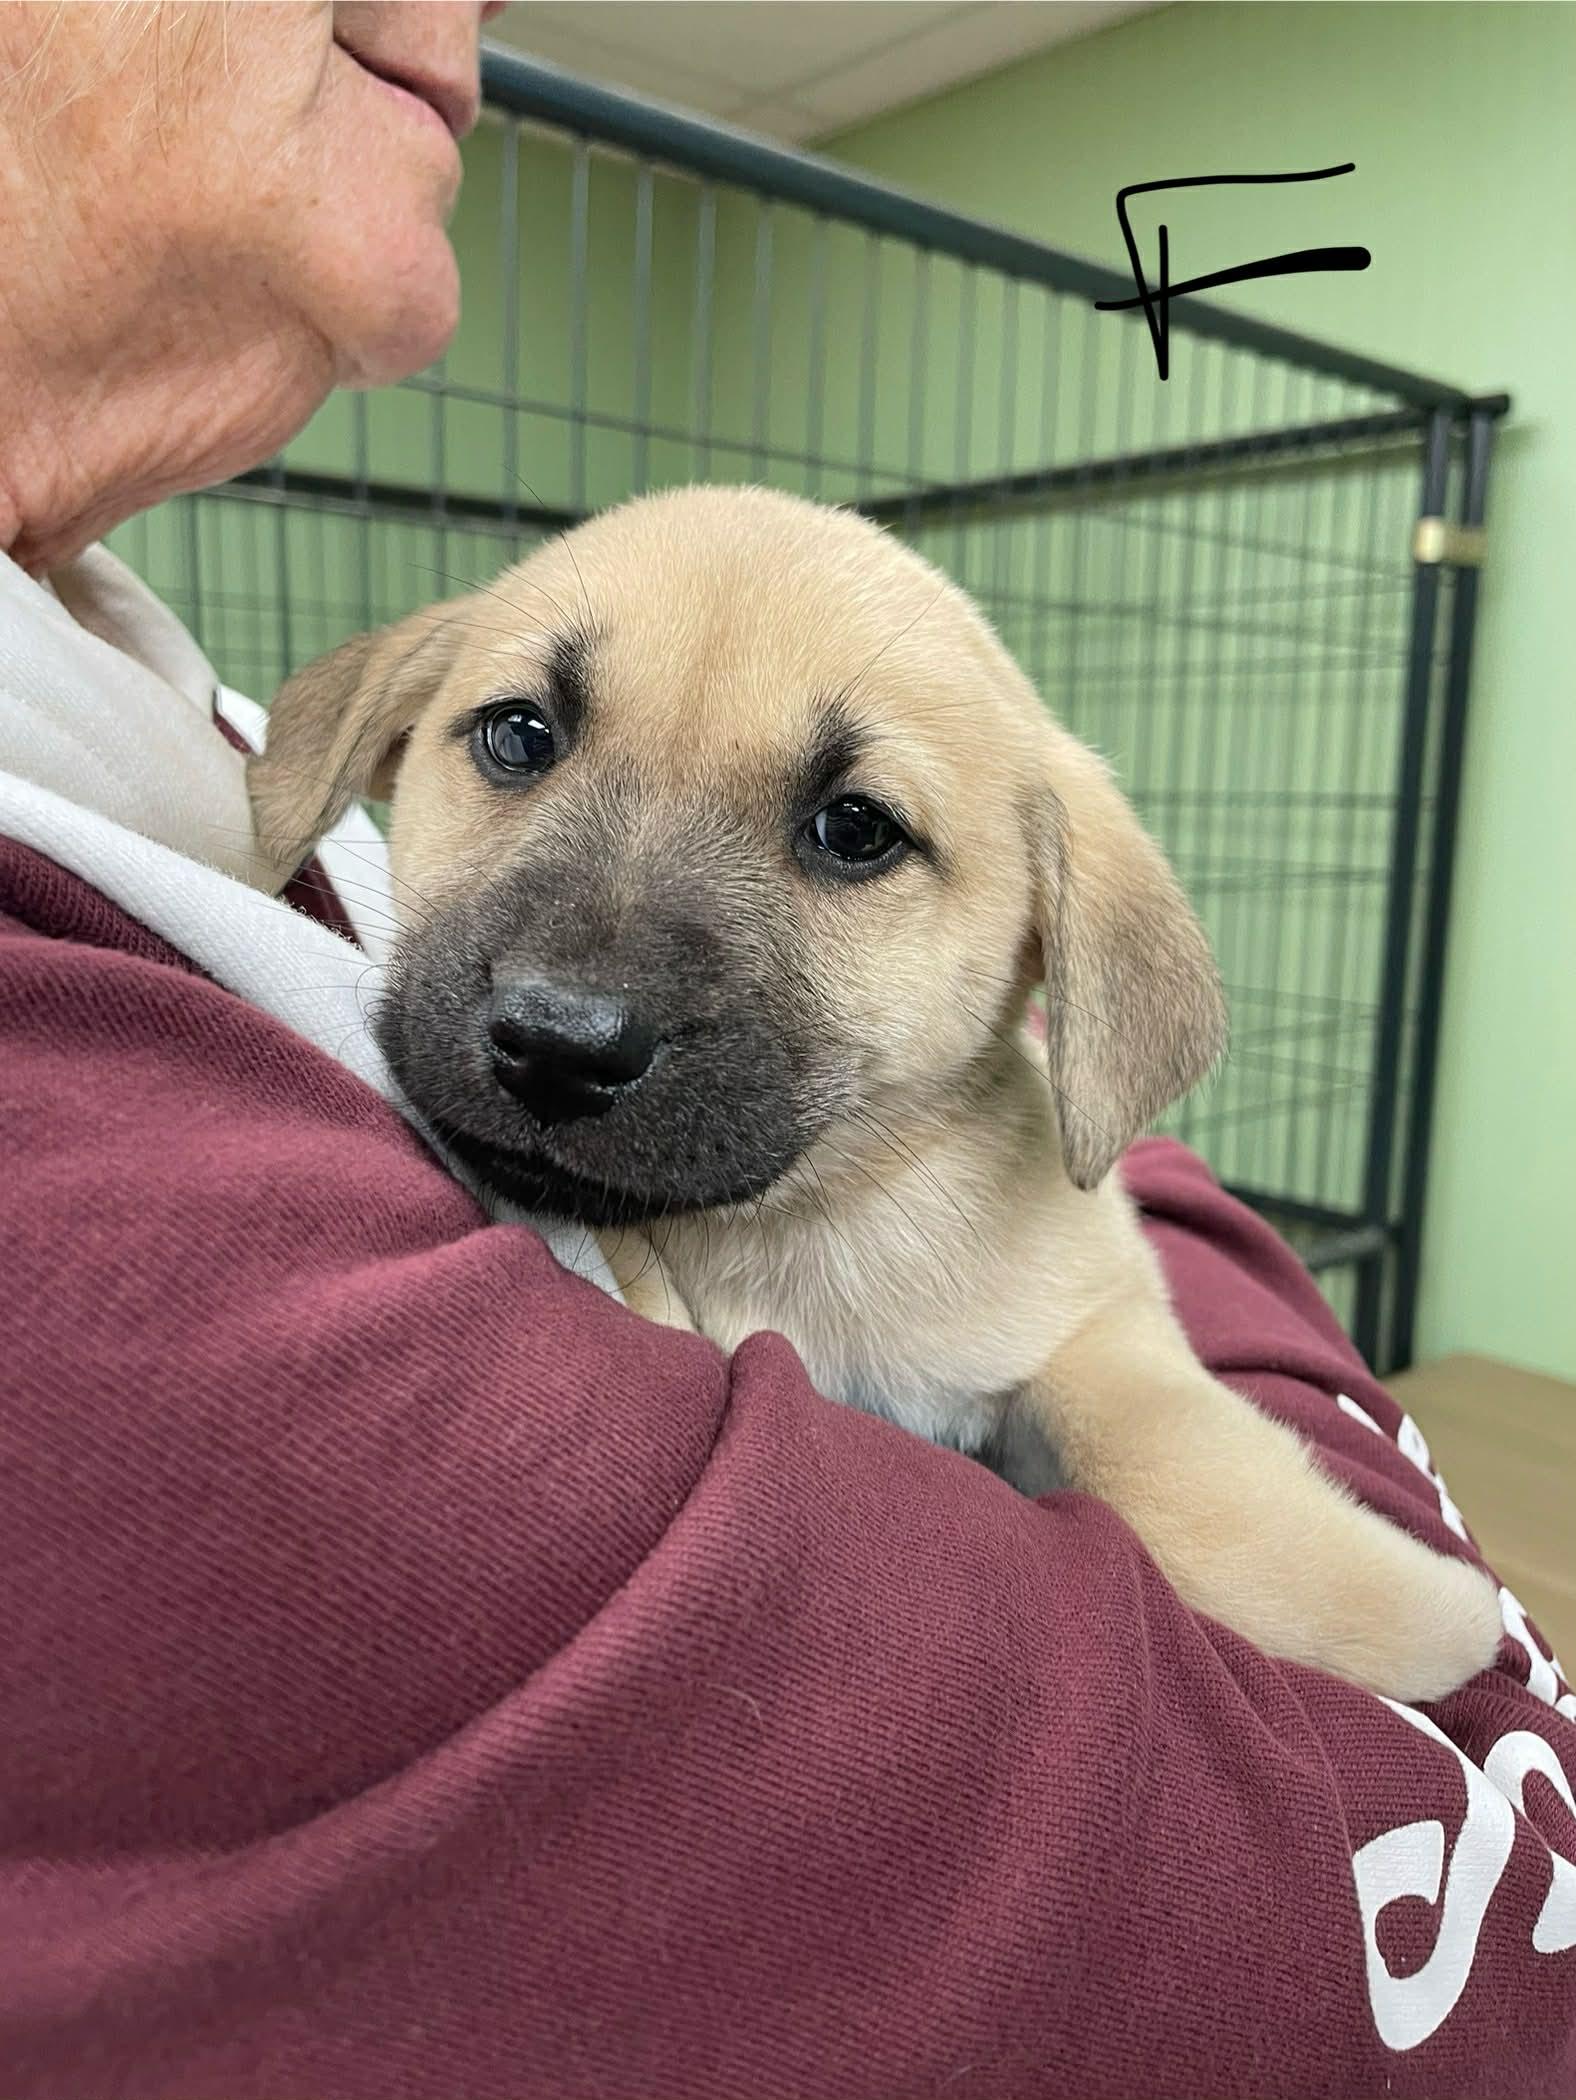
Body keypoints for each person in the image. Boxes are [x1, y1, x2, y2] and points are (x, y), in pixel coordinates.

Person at [1, 7, 1572, 2097]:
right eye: (525, 740)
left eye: (847, 832)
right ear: (374, 744)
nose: (574, 998)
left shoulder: (125, 699)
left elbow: (1118, 1268)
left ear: (1048, 969)